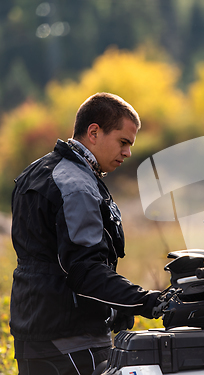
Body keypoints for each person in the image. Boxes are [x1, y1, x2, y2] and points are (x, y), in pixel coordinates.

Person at [10, 92, 163, 375]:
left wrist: (118, 307)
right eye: (123, 142)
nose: (128, 152)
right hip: (73, 343)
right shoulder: (77, 185)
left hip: (32, 334)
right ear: (94, 132)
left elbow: (51, 260)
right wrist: (149, 301)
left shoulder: (35, 172)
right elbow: (85, 272)